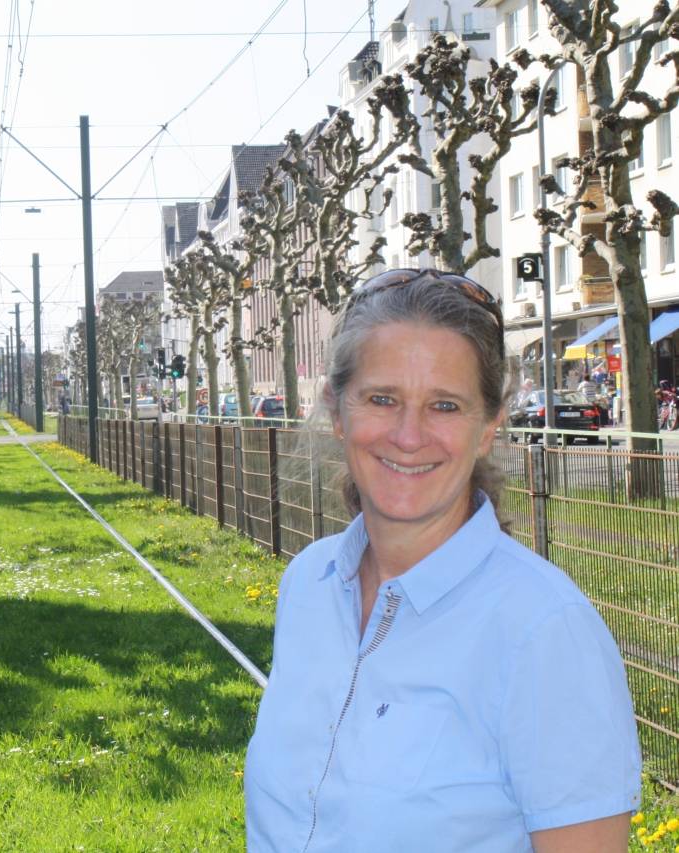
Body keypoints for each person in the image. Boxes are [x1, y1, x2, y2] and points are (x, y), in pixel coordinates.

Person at [246, 269, 640, 852]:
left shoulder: (543, 632)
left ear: (488, 427)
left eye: (445, 405)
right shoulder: (309, 583)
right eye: (382, 399)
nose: (409, 435)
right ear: (337, 410)